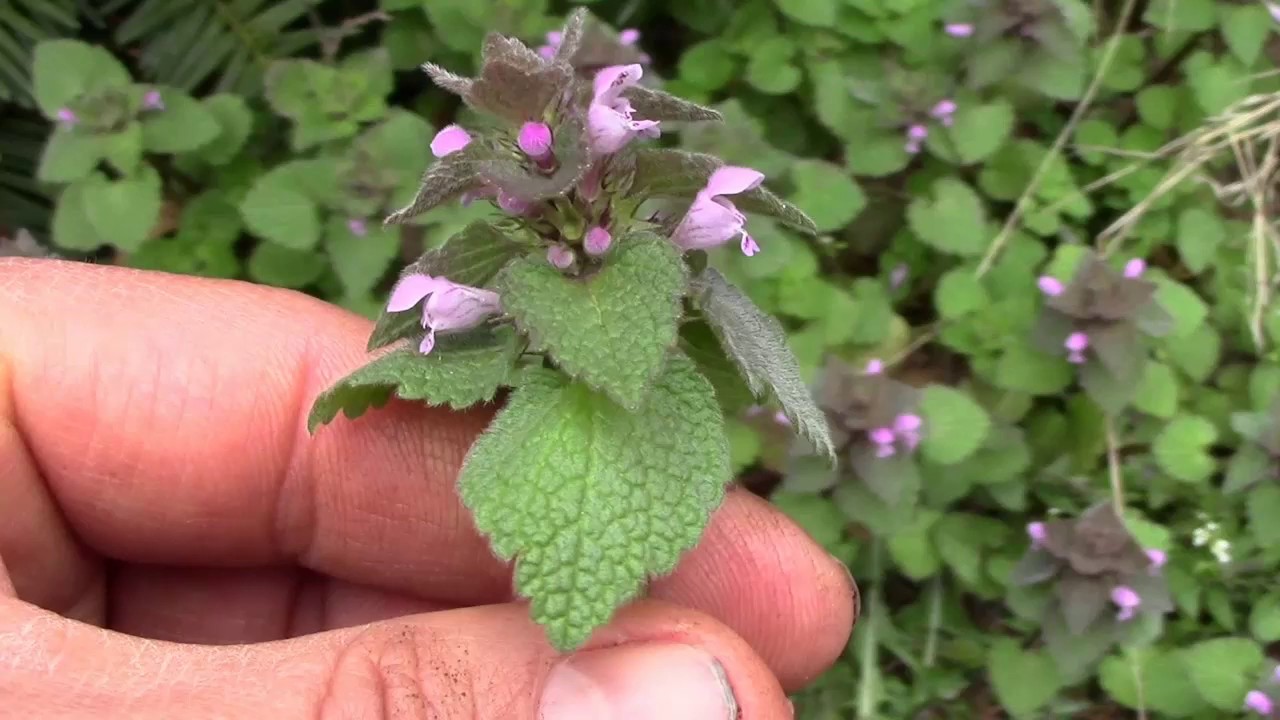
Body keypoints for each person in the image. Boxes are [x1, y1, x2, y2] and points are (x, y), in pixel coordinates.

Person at [0, 258, 856, 719]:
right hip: (574, 355)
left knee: (600, 591)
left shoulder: (628, 298)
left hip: (619, 360)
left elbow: (625, 347)